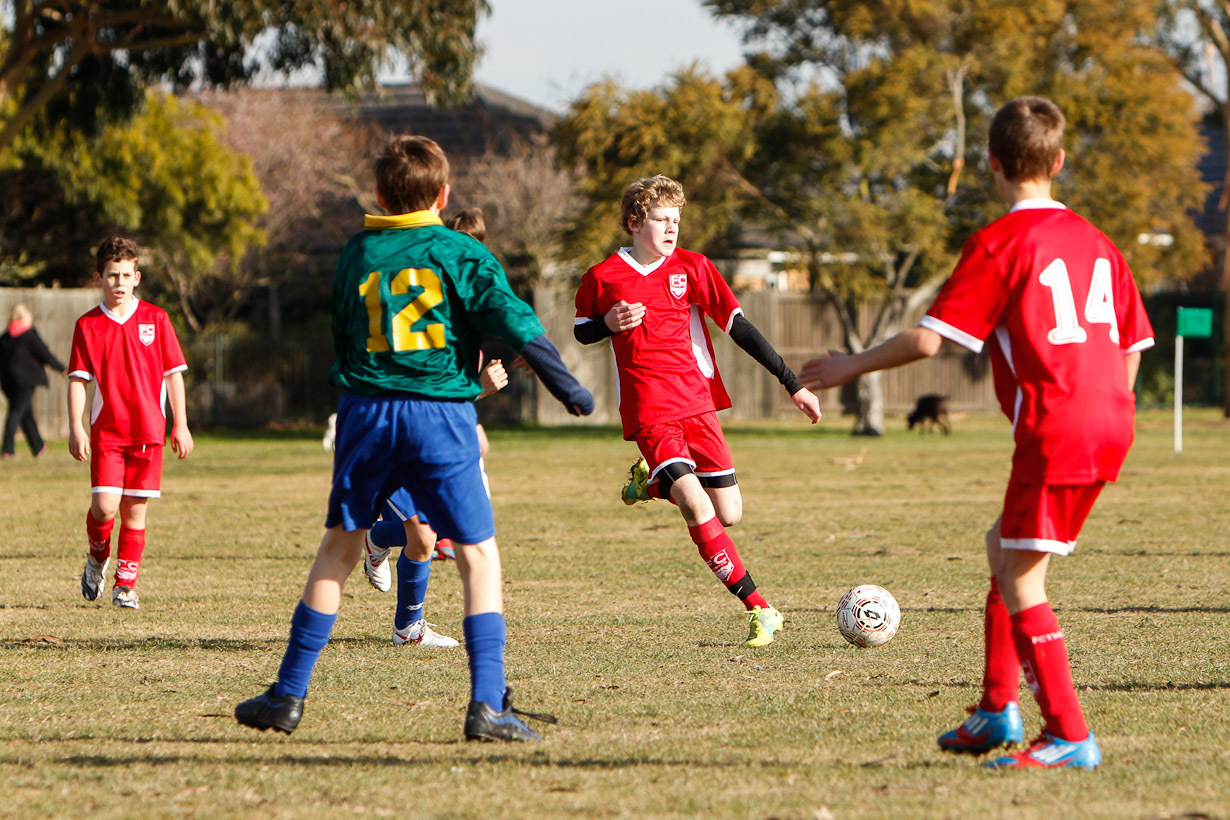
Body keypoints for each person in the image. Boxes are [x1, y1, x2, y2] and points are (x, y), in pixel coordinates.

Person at [799, 96, 1154, 770]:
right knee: (1003, 547)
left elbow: (929, 341)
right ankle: (996, 709)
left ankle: (1069, 734)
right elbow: (1133, 344)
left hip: (1060, 425)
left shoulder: (1001, 243)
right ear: (1059, 160)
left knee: (1023, 582)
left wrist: (850, 365)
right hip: (1113, 416)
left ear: (991, 162)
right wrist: (1111, 405)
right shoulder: (1099, 243)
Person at [235, 134, 593, 742]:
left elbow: (343, 334)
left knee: (338, 550)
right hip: (439, 414)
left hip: (367, 410)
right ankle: (487, 705)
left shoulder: (356, 252)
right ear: (443, 195)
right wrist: (568, 388)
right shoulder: (461, 251)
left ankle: (287, 695)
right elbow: (516, 321)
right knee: (478, 555)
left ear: (379, 196)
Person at [573, 175, 822, 648]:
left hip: (697, 404)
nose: (671, 228)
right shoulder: (603, 276)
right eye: (660, 219)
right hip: (650, 410)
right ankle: (760, 608)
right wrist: (607, 323)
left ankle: (653, 483)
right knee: (695, 503)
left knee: (729, 513)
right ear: (634, 223)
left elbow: (739, 327)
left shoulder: (694, 267)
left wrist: (793, 385)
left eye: (676, 220)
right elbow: (582, 329)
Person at [68, 237, 195, 610]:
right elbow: (78, 380)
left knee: (135, 512)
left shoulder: (157, 319)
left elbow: (174, 375)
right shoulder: (87, 325)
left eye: (126, 275)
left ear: (137, 277)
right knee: (105, 508)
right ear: (99, 278)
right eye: (112, 275)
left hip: (148, 433)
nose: (119, 282)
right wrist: (76, 426)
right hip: (108, 434)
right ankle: (97, 556)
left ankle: (125, 585)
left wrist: (181, 423)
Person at [0, 304, 67, 460]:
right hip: (26, 381)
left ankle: (38, 447)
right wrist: (63, 369)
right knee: (16, 413)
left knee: (26, 414)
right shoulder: (29, 335)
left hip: (8, 382)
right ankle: (8, 449)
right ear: (24, 318)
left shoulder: (5, 337)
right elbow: (45, 354)